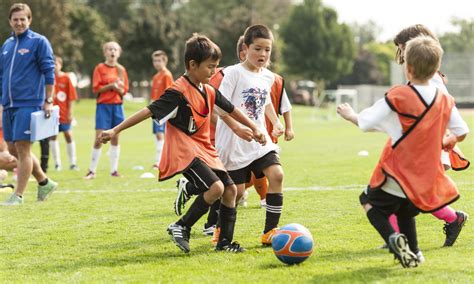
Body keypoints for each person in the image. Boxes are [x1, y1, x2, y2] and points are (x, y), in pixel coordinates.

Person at [99, 33, 266, 253]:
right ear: (192, 65)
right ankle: (181, 226)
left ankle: (224, 242)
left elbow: (232, 110)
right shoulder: (177, 92)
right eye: (210, 67)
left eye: (216, 66)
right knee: (216, 187)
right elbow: (147, 111)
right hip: (184, 150)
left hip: (204, 149)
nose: (214, 72)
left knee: (230, 190)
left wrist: (254, 128)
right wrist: (115, 129)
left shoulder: (208, 90)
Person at [337, 36, 469, 267]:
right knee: (406, 212)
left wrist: (350, 115)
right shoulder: (445, 100)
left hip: (396, 170)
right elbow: (461, 130)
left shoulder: (399, 95)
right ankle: (415, 253)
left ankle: (392, 238)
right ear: (437, 68)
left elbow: (367, 123)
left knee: (369, 202)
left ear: (407, 69)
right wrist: (447, 140)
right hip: (425, 175)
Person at [386, 24, 469, 247]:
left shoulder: (431, 79)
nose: (402, 53)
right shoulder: (421, 76)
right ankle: (397, 236)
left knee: (407, 194)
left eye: (404, 48)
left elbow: (443, 109)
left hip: (433, 148)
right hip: (422, 148)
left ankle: (453, 219)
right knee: (405, 193)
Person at [215, 24, 286, 246]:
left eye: (267, 50)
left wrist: (276, 122)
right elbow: (219, 106)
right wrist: (236, 127)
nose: (263, 54)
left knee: (277, 175)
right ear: (245, 48)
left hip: (259, 140)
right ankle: (220, 231)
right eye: (257, 49)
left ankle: (270, 231)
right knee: (234, 193)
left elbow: (265, 103)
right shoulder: (233, 73)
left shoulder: (268, 77)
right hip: (234, 142)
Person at [0, 3, 58, 205]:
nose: (19, 22)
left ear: (29, 20)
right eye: (15, 19)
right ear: (10, 21)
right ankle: (44, 182)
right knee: (13, 148)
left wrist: (49, 100)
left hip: (30, 103)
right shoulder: (6, 46)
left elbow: (49, 72)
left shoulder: (39, 42)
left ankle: (18, 195)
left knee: (23, 148)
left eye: (22, 19)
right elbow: (2, 76)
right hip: (8, 105)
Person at [84, 41, 129, 179]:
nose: (112, 52)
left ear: (119, 53)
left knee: (115, 138)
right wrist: (111, 86)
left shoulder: (121, 70)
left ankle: (114, 170)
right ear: (105, 52)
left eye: (115, 49)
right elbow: (96, 89)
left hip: (117, 106)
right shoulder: (100, 68)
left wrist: (118, 89)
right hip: (103, 106)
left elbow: (124, 91)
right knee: (99, 137)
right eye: (109, 49)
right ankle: (92, 170)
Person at [49, 56, 79, 171]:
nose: (54, 66)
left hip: (64, 113)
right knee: (53, 136)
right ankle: (57, 163)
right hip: (52, 114)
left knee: (68, 135)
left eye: (56, 64)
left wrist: (70, 113)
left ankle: (73, 162)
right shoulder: (49, 78)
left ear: (60, 65)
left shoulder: (66, 78)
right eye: (52, 64)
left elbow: (71, 97)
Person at [149, 50, 173, 169]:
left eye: (159, 60)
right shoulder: (155, 77)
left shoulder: (166, 75)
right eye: (155, 61)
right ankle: (161, 161)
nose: (156, 63)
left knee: (160, 134)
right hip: (155, 109)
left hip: (162, 110)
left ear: (165, 61)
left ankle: (159, 162)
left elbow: (169, 93)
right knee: (158, 134)